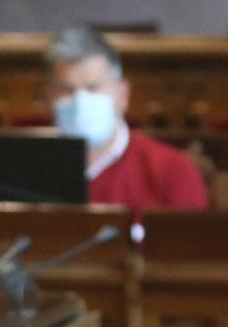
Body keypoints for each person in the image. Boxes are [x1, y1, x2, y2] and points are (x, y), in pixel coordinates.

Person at [47, 27, 208, 212]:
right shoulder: (29, 170)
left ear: (122, 94)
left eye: (93, 88)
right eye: (66, 90)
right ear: (47, 97)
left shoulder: (172, 170)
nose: (80, 101)